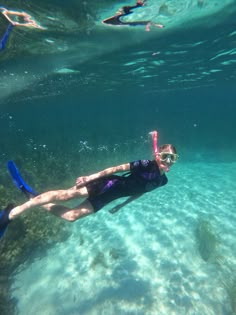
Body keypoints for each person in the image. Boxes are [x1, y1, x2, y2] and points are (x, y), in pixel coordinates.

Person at [0, 131, 179, 238]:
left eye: (173, 159)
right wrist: (89, 177)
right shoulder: (145, 164)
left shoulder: (162, 181)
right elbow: (115, 168)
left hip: (110, 197)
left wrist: (123, 205)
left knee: (70, 216)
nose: (168, 161)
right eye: (165, 157)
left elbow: (142, 191)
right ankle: (11, 214)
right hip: (106, 184)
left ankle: (32, 197)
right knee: (66, 195)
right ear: (158, 156)